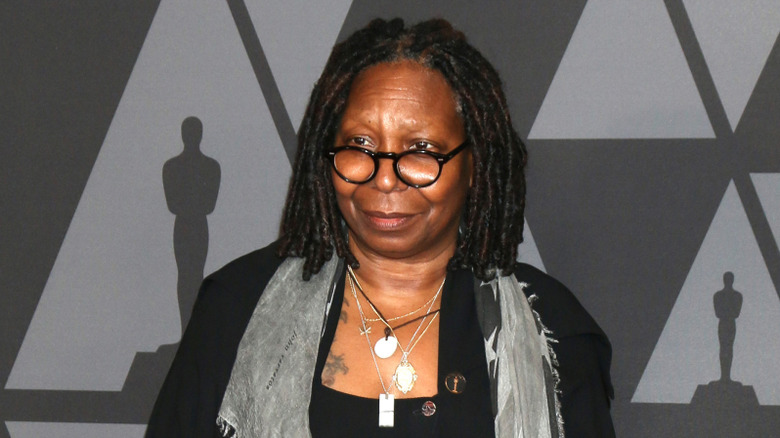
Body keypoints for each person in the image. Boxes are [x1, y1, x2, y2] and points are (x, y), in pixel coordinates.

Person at [146, 18, 615, 437]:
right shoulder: (234, 309)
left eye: (421, 150)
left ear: (476, 163)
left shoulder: (552, 332)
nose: (384, 177)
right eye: (360, 145)